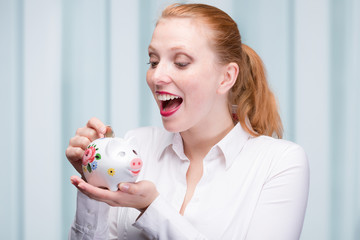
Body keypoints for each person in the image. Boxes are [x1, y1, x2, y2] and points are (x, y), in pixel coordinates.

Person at [66, 3, 309, 240]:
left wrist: (152, 209)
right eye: (153, 62)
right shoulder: (136, 145)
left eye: (181, 62)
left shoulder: (279, 164)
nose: (157, 77)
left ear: (226, 77)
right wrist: (94, 182)